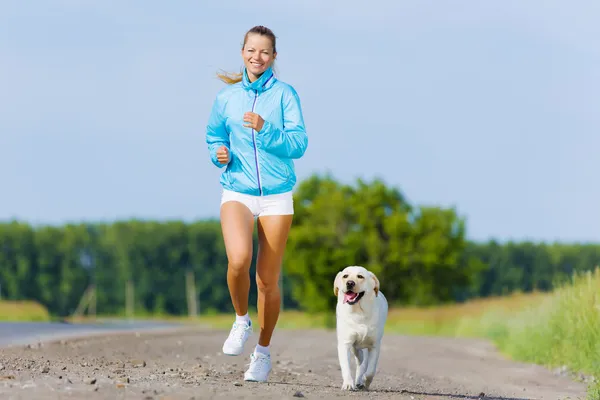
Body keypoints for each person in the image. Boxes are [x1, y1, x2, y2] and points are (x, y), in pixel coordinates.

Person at [205, 25, 308, 383]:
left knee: (266, 281)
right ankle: (240, 320)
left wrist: (265, 129)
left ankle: (262, 353)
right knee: (238, 259)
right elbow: (214, 136)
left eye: (264, 52)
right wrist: (218, 154)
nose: (257, 57)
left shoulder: (284, 95)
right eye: (251, 50)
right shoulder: (227, 97)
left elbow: (298, 144)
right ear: (242, 51)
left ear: (274, 57)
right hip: (237, 189)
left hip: (277, 195)